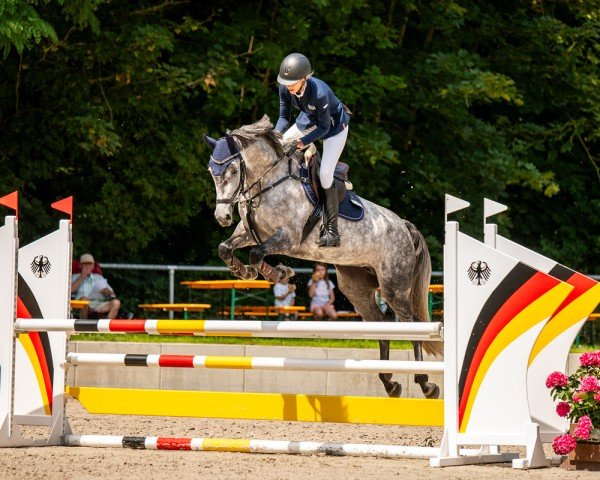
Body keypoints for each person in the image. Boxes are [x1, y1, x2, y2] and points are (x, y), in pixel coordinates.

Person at [275, 53, 351, 248]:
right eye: (286, 83)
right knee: (280, 146)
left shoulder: (320, 93)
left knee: (326, 174)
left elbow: (324, 128)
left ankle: (332, 231)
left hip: (334, 128)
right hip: (309, 120)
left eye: (292, 83)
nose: (288, 88)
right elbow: (284, 117)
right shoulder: (285, 89)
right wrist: (276, 135)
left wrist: (302, 143)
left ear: (304, 79)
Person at [71, 253, 121, 319]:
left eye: (89, 264)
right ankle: (83, 325)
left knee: (116, 302)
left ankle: (105, 326)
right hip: (81, 304)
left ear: (93, 266)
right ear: (80, 266)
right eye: (85, 264)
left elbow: (113, 294)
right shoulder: (74, 277)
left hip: (98, 303)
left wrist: (107, 292)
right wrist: (82, 276)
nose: (87, 266)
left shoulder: (99, 277)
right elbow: (69, 291)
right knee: (84, 299)